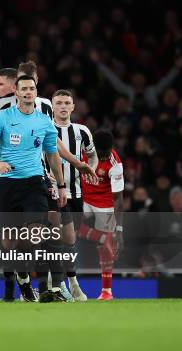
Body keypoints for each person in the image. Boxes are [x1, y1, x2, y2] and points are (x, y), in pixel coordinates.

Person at [0, 75, 67, 303]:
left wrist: (61, 185)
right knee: (9, 242)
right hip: (7, 184)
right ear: (16, 93)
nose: (28, 92)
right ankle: (22, 275)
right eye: (24, 89)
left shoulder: (44, 121)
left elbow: (52, 154)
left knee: (35, 234)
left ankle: (39, 282)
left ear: (36, 92)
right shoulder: (3, 117)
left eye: (32, 88)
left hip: (34, 182)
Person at [50, 89, 97, 301]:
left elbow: (93, 156)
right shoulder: (45, 128)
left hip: (76, 192)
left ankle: (68, 281)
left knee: (70, 241)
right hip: (51, 191)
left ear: (73, 107)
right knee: (57, 239)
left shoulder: (82, 131)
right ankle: (63, 283)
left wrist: (91, 170)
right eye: (58, 102)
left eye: (66, 102)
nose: (62, 106)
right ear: (52, 106)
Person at [79, 130, 124, 301]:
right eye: (101, 154)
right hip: (83, 198)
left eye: (107, 153)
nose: (104, 158)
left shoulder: (115, 164)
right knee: (64, 225)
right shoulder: (81, 151)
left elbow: (118, 200)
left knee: (105, 246)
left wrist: (119, 230)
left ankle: (107, 291)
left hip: (104, 203)